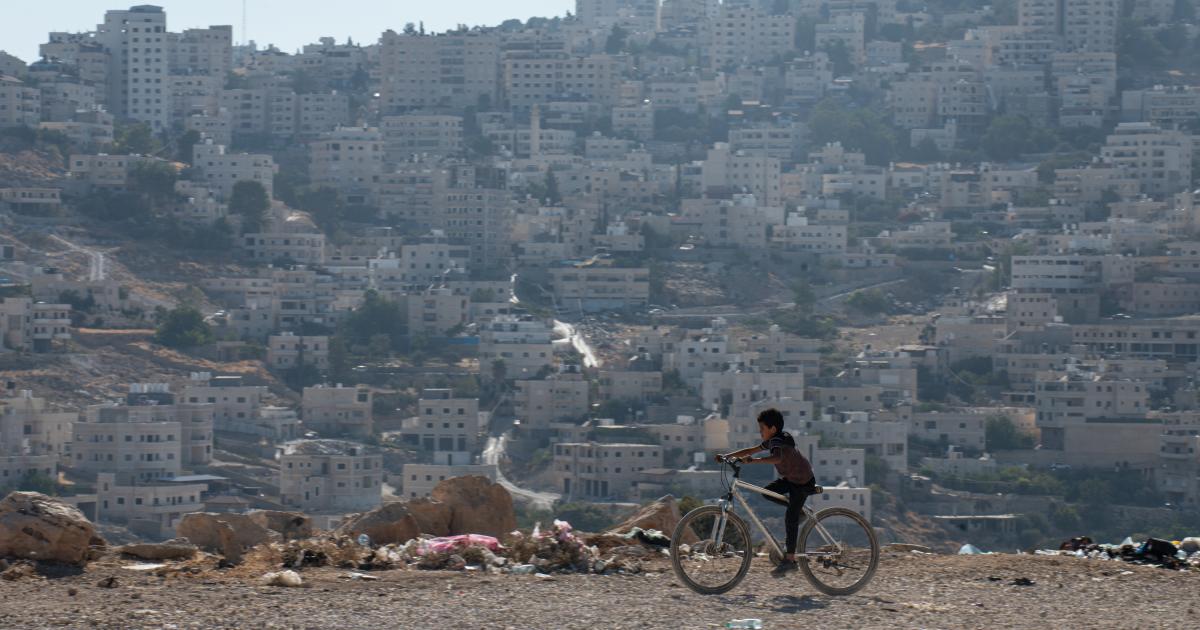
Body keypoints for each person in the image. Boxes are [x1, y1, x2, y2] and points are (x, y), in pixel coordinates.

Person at [716, 408, 816, 577]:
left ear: (773, 429)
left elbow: (777, 458)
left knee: (790, 518)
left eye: (762, 428)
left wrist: (753, 461)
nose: (760, 431)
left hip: (802, 482)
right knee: (767, 492)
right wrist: (727, 456)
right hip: (791, 480)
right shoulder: (772, 441)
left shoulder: (780, 441)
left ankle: (790, 561)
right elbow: (750, 450)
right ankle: (798, 511)